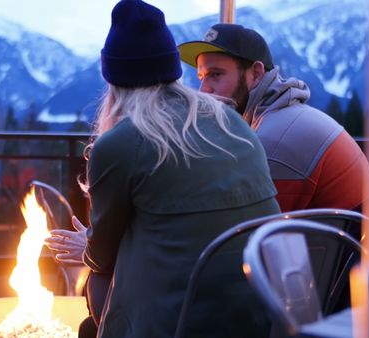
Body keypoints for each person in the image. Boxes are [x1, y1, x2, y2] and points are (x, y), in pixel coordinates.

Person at [45, 1, 280, 337]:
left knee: (96, 281)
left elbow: (101, 256)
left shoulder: (120, 144)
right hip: (260, 312)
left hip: (180, 322)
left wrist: (90, 244)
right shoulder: (229, 120)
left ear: (114, 80)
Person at [178, 24, 369, 213]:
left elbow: (254, 229)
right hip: (340, 242)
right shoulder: (279, 118)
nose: (203, 90)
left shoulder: (273, 143)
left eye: (216, 74)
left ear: (255, 73)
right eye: (201, 77)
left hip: (348, 245)